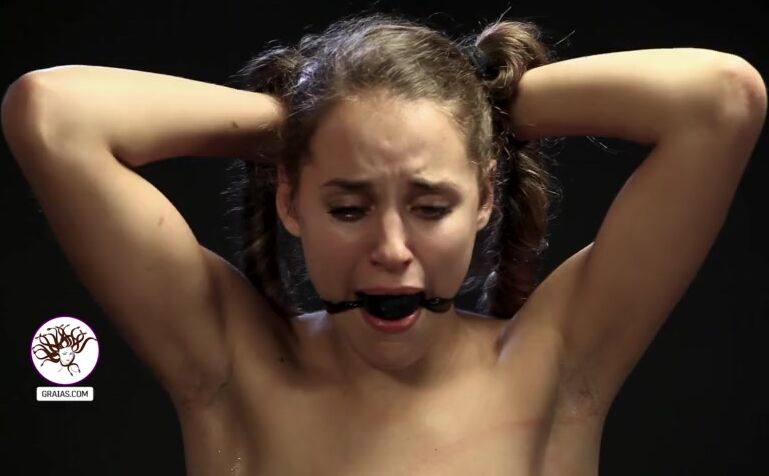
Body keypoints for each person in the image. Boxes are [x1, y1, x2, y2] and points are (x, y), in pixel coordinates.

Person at [2, 11, 765, 476]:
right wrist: (309, 122)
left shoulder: (557, 367)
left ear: (483, 198)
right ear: (290, 198)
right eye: (347, 207)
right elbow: (53, 114)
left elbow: (719, 101)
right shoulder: (232, 370)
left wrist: (478, 109)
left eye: (430, 206)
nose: (391, 249)